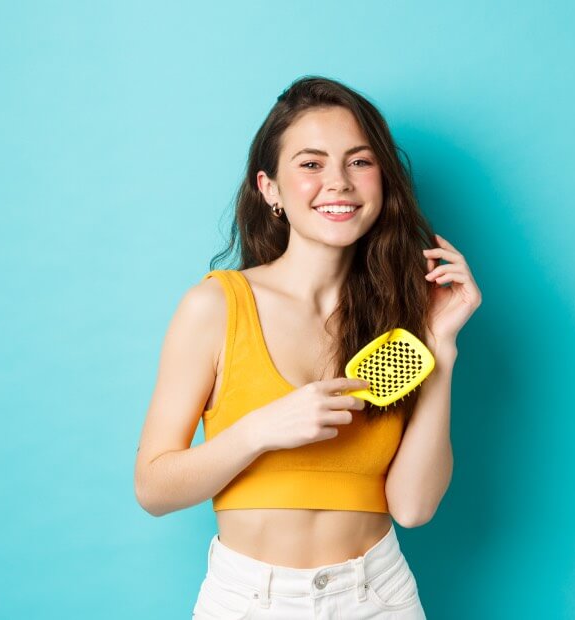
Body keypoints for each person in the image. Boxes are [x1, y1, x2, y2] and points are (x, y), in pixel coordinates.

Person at [134, 75, 482, 619]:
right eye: (311, 164)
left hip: (379, 596)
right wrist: (261, 430)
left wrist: (440, 349)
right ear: (269, 188)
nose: (339, 182)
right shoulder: (217, 307)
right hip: (249, 600)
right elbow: (154, 488)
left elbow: (413, 509)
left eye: (360, 162)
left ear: (383, 181)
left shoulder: (402, 320)